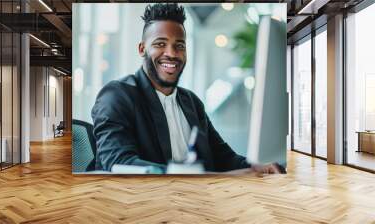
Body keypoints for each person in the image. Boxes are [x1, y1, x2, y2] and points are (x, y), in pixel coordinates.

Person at [91, 3, 280, 174]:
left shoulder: (191, 102)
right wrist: (194, 177)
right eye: (160, 44)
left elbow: (223, 157)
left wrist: (257, 167)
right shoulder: (116, 96)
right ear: (142, 49)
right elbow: (118, 163)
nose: (172, 54)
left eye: (179, 45)